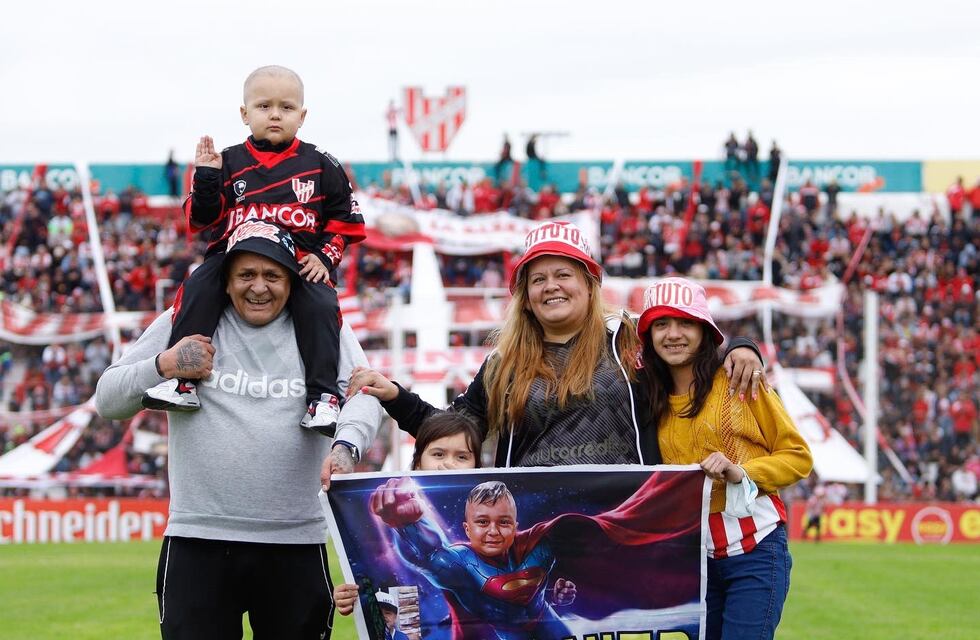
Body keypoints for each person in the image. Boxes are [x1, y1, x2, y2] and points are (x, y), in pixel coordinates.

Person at [95, 232, 383, 640]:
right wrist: (164, 364)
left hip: (296, 541)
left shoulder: (322, 323)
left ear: (291, 281)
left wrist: (346, 447)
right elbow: (107, 399)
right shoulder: (187, 319)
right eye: (246, 274)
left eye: (272, 275)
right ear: (226, 281)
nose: (259, 287)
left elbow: (365, 392)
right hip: (197, 538)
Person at [349, 220, 766, 468]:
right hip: (534, 524)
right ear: (526, 295)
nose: (551, 286)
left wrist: (742, 348)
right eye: (538, 279)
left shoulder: (629, 338)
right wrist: (396, 398)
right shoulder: (504, 363)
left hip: (628, 520)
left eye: (563, 274)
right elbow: (455, 432)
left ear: (589, 283)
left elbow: (689, 349)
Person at [142, 64, 366, 436]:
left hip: (296, 263)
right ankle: (183, 382)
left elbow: (345, 220)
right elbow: (201, 219)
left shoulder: (322, 164)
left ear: (302, 116)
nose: (275, 114)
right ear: (245, 113)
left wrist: (325, 256)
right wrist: (207, 179)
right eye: (264, 106)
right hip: (234, 259)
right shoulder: (227, 161)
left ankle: (323, 398)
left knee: (322, 303)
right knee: (198, 285)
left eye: (286, 107)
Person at [635, 276, 813, 640]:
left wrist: (741, 472)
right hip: (696, 560)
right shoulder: (647, 398)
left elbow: (798, 457)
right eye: (662, 324)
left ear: (704, 331)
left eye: (685, 323)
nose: (673, 334)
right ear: (649, 335)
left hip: (756, 550)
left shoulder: (741, 380)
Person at [372, 478, 578, 640]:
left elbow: (530, 591)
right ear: (467, 529)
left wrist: (557, 594)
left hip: (547, 620)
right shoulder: (463, 564)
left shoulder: (539, 549)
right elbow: (428, 556)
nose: (493, 531)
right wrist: (409, 524)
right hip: (510, 633)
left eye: (503, 522)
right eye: (482, 522)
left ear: (515, 526)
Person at [333, 412, 484, 617]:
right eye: (438, 454)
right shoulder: (389, 520)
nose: (449, 463)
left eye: (462, 457)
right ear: (418, 462)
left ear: (477, 464)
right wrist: (350, 596)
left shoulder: (492, 506)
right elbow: (374, 581)